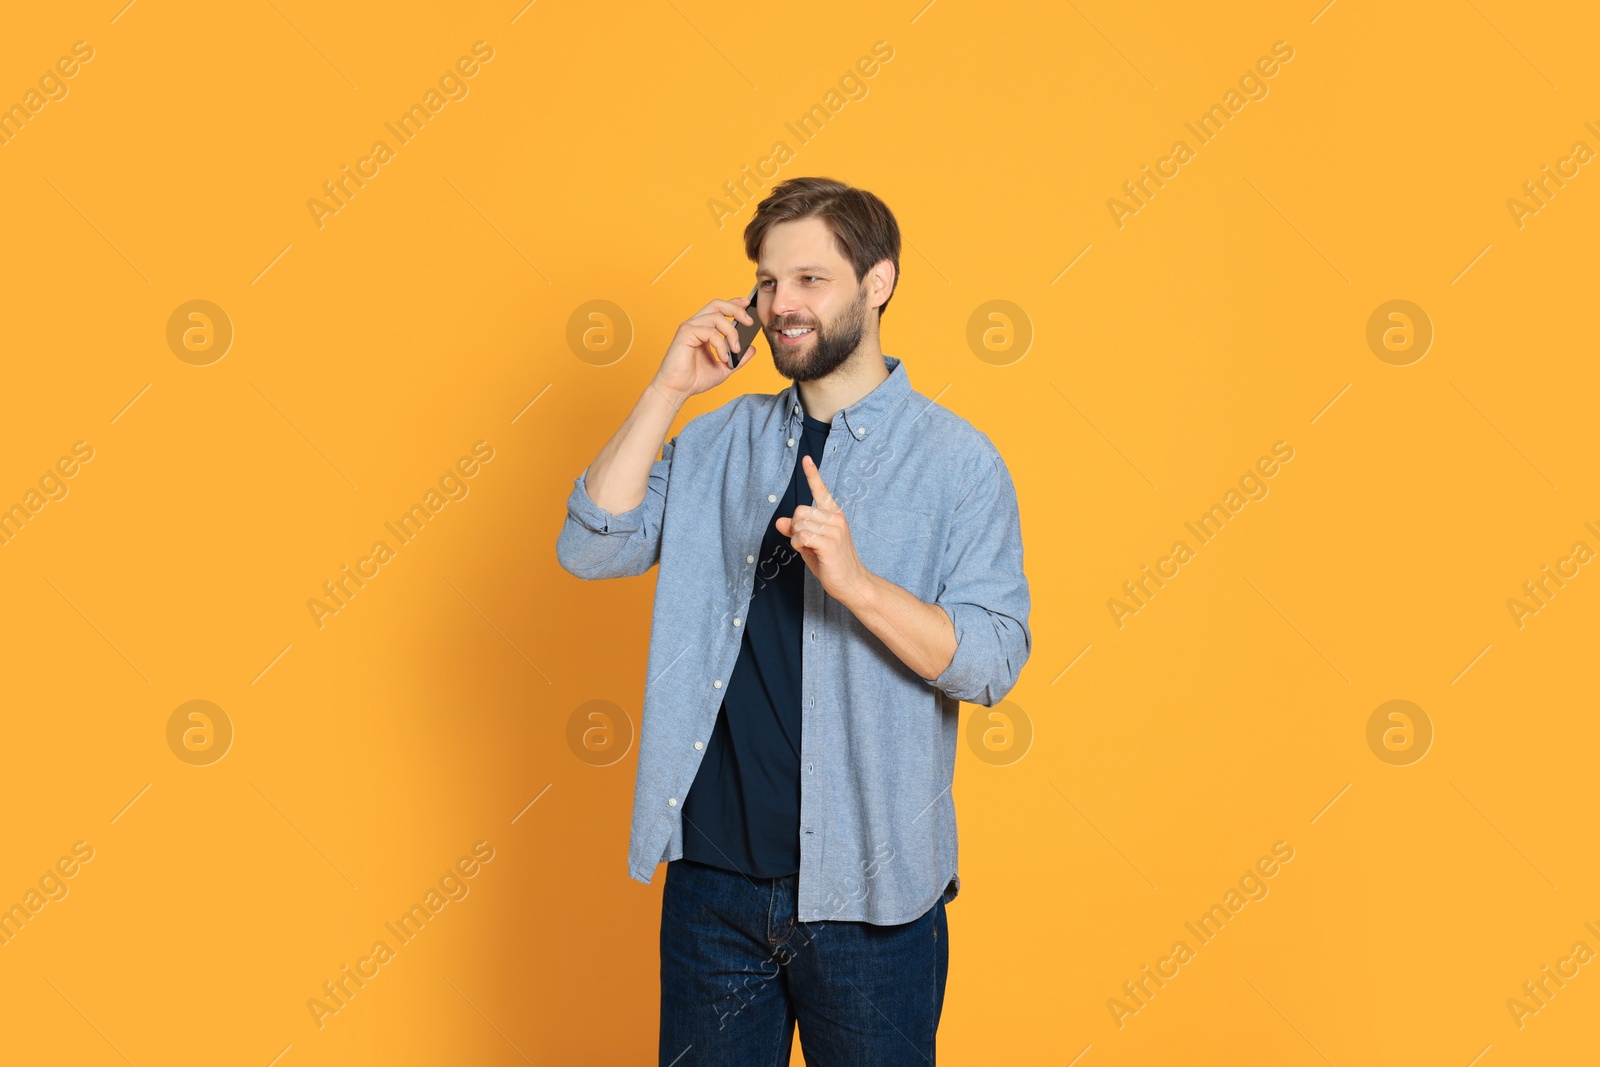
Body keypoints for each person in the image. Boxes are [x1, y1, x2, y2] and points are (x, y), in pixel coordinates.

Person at [556, 176, 1031, 1066]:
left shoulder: (957, 462)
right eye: (768, 283)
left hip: (873, 899)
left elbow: (993, 661)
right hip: (713, 890)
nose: (781, 306)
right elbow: (593, 544)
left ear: (877, 283)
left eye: (810, 280)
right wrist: (668, 388)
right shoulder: (715, 441)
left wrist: (858, 585)